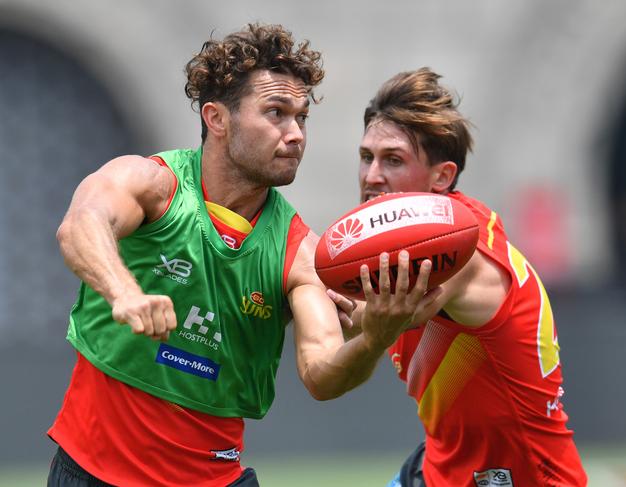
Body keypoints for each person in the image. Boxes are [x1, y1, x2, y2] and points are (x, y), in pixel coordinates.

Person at [46, 24, 437, 487]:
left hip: (214, 478)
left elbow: (320, 372)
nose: (295, 135)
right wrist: (124, 292)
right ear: (217, 118)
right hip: (89, 471)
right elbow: (81, 224)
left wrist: (374, 340)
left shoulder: (302, 254)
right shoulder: (151, 185)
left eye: (302, 117)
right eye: (276, 113)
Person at [333, 68, 588, 486]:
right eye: (366, 157)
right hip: (442, 469)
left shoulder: (453, 250)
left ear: (442, 177)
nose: (371, 176)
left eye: (393, 160)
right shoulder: (422, 238)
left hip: (526, 478)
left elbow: (368, 313)